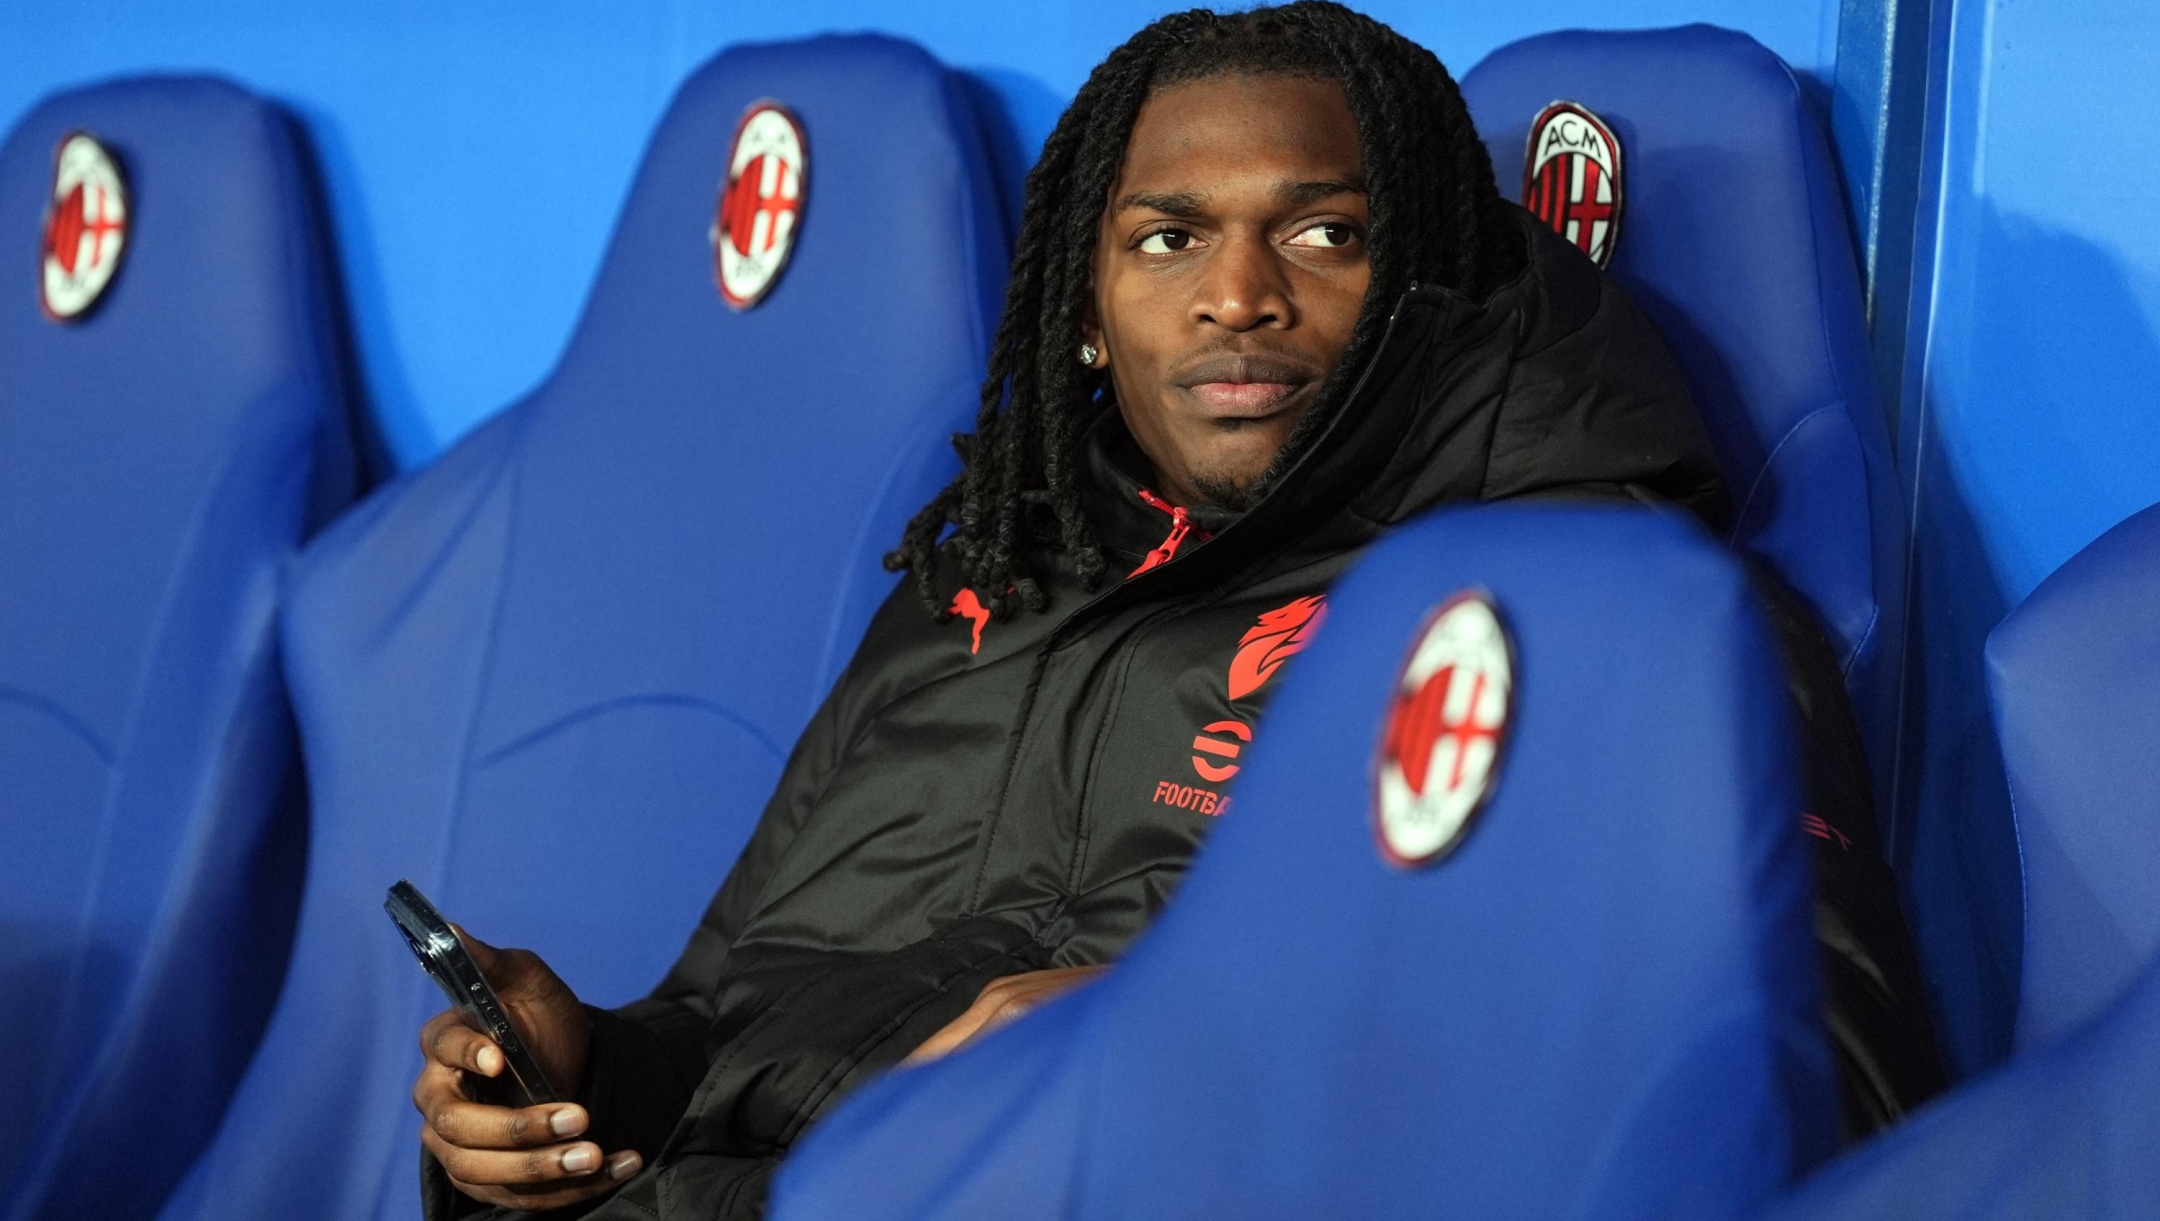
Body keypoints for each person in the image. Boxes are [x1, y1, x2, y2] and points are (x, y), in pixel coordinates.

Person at [414, 5, 1941, 1216]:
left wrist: (1187, 1045)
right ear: (1085, 309)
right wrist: (577, 1075)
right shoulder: (991, 571)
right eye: (1168, 237)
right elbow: (725, 1013)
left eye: (1324, 233)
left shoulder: (1606, 618)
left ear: (1430, 282)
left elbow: (1824, 1112)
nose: (1237, 294)